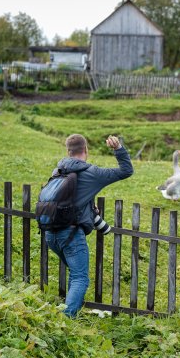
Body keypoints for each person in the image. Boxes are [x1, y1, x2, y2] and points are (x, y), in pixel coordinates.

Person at [45, 134, 133, 317]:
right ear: (86, 150)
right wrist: (118, 149)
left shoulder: (58, 171)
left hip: (50, 234)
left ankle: (68, 311)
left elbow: (69, 200)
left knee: (76, 273)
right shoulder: (92, 173)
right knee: (80, 278)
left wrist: (89, 209)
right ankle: (65, 321)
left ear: (68, 151)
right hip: (70, 235)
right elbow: (126, 171)